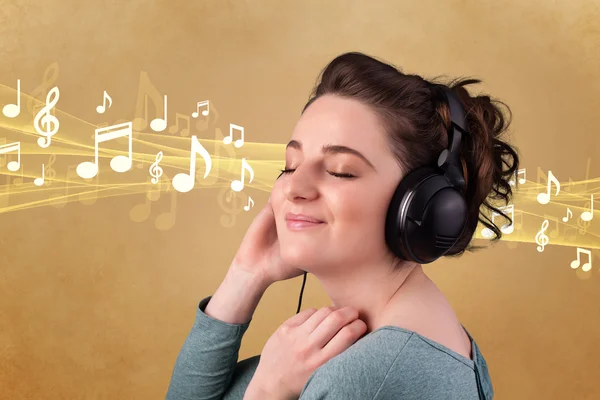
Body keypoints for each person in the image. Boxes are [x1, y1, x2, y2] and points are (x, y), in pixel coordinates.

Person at [165, 51, 519, 400]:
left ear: (421, 206)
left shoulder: (366, 376)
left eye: (340, 170)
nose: (294, 187)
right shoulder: (395, 341)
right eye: (290, 165)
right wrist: (245, 276)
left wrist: (268, 392)